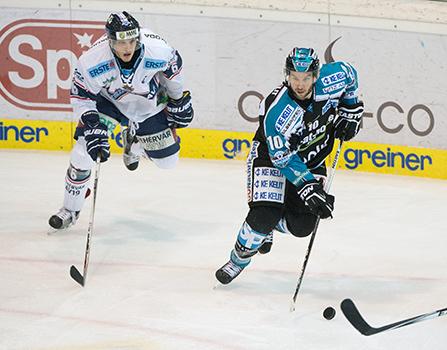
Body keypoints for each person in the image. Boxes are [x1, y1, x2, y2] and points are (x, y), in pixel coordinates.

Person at [215, 47, 364, 284]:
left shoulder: (332, 78)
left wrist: (351, 108)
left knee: (304, 225)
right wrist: (308, 186)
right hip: (270, 157)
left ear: (315, 75)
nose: (300, 84)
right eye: (294, 77)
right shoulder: (277, 111)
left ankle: (273, 225)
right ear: (287, 75)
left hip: (312, 158)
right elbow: (282, 158)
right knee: (264, 216)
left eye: (305, 78)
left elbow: (350, 74)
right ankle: (238, 259)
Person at [49, 11, 194, 230]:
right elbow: (81, 97)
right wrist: (93, 125)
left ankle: (134, 142)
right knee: (82, 152)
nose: (127, 47)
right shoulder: (92, 60)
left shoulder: (159, 50)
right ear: (110, 41)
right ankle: (69, 209)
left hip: (148, 106)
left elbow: (173, 76)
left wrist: (177, 102)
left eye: (131, 41)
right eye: (120, 42)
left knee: (168, 162)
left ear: (138, 37)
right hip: (109, 104)